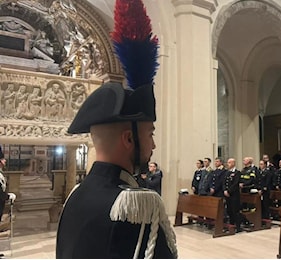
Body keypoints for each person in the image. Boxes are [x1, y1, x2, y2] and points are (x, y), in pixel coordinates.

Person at [56, 0, 177, 258]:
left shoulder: (75, 196)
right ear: (128, 138)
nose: (154, 145)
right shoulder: (138, 207)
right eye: (150, 134)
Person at [224, 158, 242, 232]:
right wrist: (225, 190)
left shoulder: (237, 173)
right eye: (227, 162)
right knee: (229, 210)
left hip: (234, 195)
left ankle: (238, 226)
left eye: (229, 162)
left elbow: (235, 184)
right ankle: (231, 225)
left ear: (233, 163)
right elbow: (224, 182)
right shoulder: (227, 172)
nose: (228, 164)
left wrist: (228, 191)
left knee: (235, 211)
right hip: (227, 195)